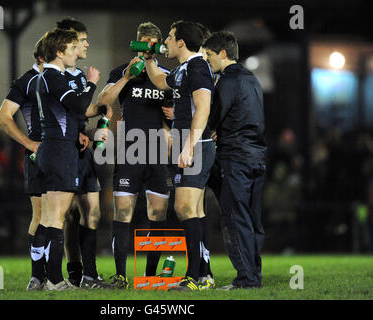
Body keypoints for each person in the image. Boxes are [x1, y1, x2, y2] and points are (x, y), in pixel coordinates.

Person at [97, 22, 171, 289]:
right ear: (138, 43)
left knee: (157, 213)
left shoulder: (166, 75)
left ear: (159, 47)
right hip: (130, 150)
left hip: (157, 153)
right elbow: (103, 101)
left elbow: (175, 112)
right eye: (144, 41)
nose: (148, 47)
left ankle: (150, 277)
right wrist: (127, 76)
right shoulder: (121, 71)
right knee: (123, 211)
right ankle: (120, 276)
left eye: (153, 42)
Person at [143, 20, 216, 291]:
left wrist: (189, 146)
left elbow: (203, 108)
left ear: (181, 42)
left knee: (184, 207)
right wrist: (149, 59)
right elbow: (161, 80)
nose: (167, 42)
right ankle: (203, 275)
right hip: (191, 143)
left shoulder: (197, 66)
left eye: (171, 37)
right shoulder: (185, 68)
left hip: (195, 144)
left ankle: (194, 277)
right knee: (193, 209)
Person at [32, 28, 100, 290]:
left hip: (52, 148)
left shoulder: (44, 76)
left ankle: (42, 277)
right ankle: (55, 279)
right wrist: (92, 82)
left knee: (49, 218)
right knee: (56, 218)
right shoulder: (54, 76)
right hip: (60, 150)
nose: (76, 53)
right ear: (59, 52)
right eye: (72, 48)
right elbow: (79, 105)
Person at [203, 31, 267, 290]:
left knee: (234, 217)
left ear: (223, 54)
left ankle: (246, 278)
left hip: (236, 157)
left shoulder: (227, 81)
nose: (207, 61)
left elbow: (213, 116)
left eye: (209, 55)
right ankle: (253, 274)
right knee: (252, 219)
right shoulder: (252, 79)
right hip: (257, 156)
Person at [56, 17, 111, 289]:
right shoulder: (53, 74)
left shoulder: (76, 74)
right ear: (69, 43)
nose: (87, 43)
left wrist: (100, 111)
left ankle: (89, 275)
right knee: (65, 215)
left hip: (83, 149)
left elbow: (81, 110)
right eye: (82, 39)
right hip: (65, 150)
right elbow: (66, 110)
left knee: (93, 211)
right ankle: (63, 273)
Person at [0, 37, 46, 290]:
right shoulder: (26, 81)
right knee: (40, 214)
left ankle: (65, 274)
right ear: (42, 57)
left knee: (64, 215)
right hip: (39, 155)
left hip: (65, 155)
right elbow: (3, 116)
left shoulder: (63, 79)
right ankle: (38, 276)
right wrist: (28, 143)